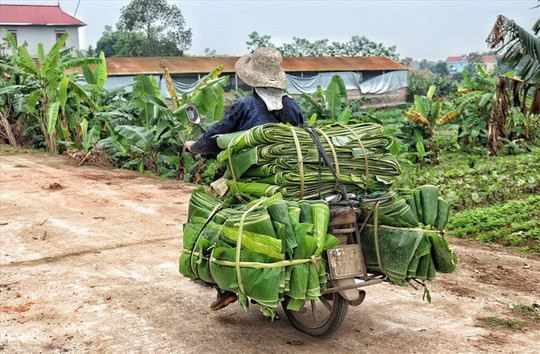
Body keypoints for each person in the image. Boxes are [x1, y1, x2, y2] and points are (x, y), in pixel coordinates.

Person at [185, 47, 304, 311]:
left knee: (218, 217)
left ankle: (225, 286)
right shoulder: (293, 106)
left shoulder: (244, 105)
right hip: (290, 178)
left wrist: (194, 146)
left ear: (252, 79)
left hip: (248, 180)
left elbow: (216, 136)